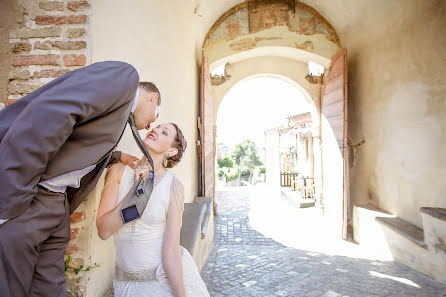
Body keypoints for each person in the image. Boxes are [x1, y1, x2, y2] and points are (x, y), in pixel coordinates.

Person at [0, 61, 161, 297]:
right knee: (10, 287)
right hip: (28, 199)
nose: (151, 124)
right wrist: (8, 200)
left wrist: (119, 156)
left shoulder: (118, 117)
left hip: (56, 207)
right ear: (153, 98)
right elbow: (49, 115)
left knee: (50, 290)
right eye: (156, 117)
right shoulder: (125, 78)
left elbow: (79, 145)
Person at [97, 123, 210, 297]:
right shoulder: (118, 171)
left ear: (171, 151)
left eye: (164, 132)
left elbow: (171, 250)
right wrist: (137, 190)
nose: (155, 130)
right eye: (156, 127)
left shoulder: (172, 185)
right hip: (126, 286)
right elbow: (104, 230)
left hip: (162, 284)